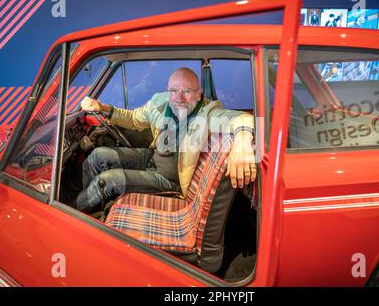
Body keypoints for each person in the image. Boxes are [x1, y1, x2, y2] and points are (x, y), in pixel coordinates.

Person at [76, 67, 256, 213]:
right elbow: (133, 119)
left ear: (199, 94)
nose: (179, 98)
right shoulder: (158, 102)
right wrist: (102, 107)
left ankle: (71, 213)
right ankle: (88, 205)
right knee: (98, 156)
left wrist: (242, 142)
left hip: (169, 179)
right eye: (174, 91)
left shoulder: (207, 114)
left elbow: (243, 118)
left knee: (107, 181)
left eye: (187, 91)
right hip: (152, 157)